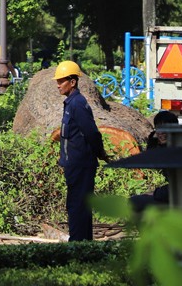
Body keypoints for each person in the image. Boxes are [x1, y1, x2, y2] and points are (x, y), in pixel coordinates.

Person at [52, 60, 109, 241]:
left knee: (78, 206)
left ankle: (78, 244)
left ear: (73, 82)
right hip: (74, 166)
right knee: (76, 205)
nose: (58, 85)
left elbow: (92, 132)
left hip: (82, 165)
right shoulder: (71, 103)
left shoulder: (77, 103)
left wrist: (100, 153)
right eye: (58, 81)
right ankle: (82, 243)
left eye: (62, 81)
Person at [129, 110, 177, 212]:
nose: (161, 132)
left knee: (135, 202)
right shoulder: (166, 148)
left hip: (181, 197)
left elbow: (179, 187)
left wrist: (156, 193)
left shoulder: (176, 151)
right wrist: (154, 138)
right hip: (173, 193)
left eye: (165, 128)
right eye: (158, 128)